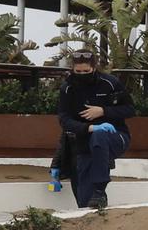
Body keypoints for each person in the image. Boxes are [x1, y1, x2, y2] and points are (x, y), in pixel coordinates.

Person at [53, 50, 135, 210]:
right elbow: (64, 119)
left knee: (100, 136)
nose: (82, 74)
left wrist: (104, 111)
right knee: (84, 197)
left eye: (86, 71)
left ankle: (100, 190)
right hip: (83, 142)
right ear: (72, 69)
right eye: (78, 72)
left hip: (115, 136)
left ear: (94, 68)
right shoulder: (67, 88)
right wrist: (88, 127)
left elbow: (130, 109)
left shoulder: (110, 83)